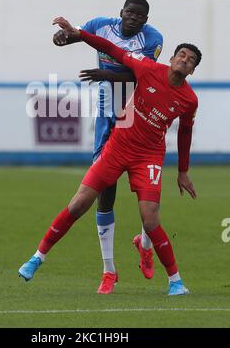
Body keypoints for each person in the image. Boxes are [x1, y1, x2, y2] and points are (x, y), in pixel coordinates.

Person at [18, 17, 201, 296]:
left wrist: (183, 171)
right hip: (118, 147)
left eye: (190, 60)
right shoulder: (148, 69)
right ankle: (36, 258)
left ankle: (175, 281)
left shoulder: (189, 100)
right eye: (182, 55)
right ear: (173, 58)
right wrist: (77, 33)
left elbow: (185, 133)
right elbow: (111, 48)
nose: (184, 61)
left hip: (149, 156)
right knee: (79, 204)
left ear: (192, 70)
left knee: (150, 219)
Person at [53, 0, 163, 294]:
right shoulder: (100, 25)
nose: (134, 18)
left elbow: (143, 74)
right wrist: (61, 38)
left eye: (140, 15)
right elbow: (69, 36)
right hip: (108, 113)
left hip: (141, 114)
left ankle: (146, 241)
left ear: (146, 19)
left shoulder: (153, 38)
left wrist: (105, 74)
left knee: (149, 192)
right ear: (121, 13)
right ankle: (109, 270)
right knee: (105, 188)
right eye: (130, 13)